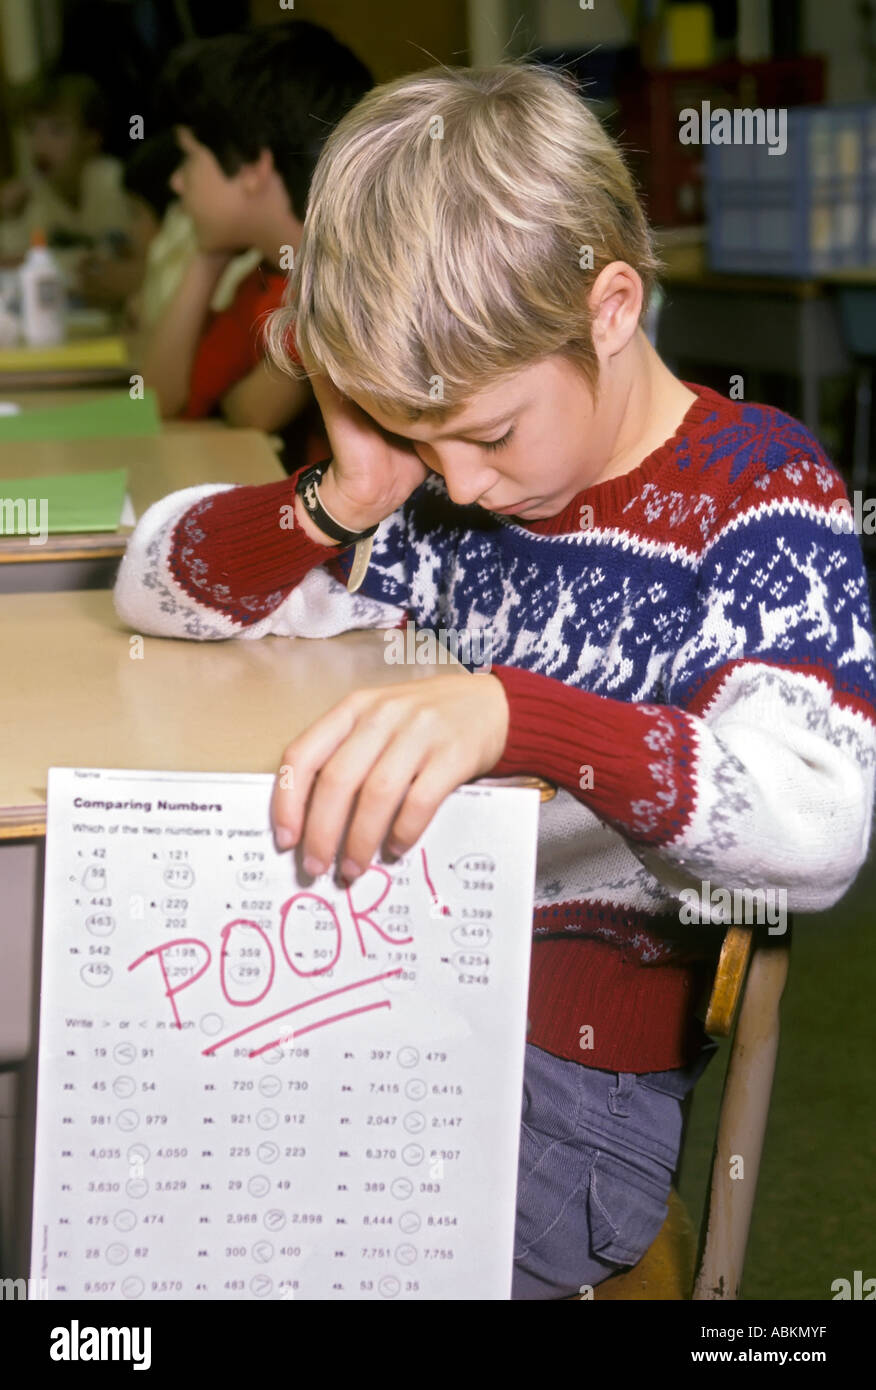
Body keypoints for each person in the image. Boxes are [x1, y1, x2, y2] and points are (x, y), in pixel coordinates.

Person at [114, 63, 876, 1300]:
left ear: (610, 309)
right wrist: (344, 495)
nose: (458, 484)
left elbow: (817, 824)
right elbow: (154, 582)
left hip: (572, 1093)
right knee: (148, 1161)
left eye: (488, 432)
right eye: (423, 439)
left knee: (241, 1230)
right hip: (385, 998)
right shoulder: (445, 495)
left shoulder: (759, 495)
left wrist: (518, 715)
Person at [142, 21, 372, 440]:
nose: (177, 181)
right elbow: (161, 401)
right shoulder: (268, 277)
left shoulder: (355, 273)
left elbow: (253, 413)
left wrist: (237, 400)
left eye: (189, 157)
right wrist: (205, 258)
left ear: (252, 167)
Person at [0, 72, 129, 263]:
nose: (40, 145)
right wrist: (8, 214)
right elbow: (13, 256)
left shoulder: (115, 182)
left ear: (90, 137)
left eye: (57, 131)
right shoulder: (34, 192)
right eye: (31, 129)